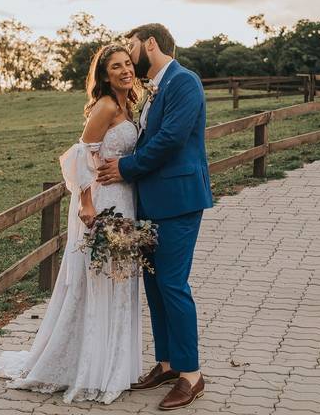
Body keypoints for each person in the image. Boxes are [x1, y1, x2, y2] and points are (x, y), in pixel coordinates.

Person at [0, 44, 142, 404]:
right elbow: (80, 155)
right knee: (99, 279)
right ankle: (88, 366)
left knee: (119, 280)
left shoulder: (127, 105)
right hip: (103, 201)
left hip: (125, 198)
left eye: (127, 64)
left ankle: (114, 364)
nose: (124, 71)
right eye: (116, 67)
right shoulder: (106, 106)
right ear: (104, 76)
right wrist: (87, 204)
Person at [97, 23, 211, 411]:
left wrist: (126, 168)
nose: (130, 56)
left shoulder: (184, 81)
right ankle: (165, 363)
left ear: (150, 43)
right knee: (154, 285)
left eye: (132, 47)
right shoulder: (152, 88)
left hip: (178, 200)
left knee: (174, 286)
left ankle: (191, 375)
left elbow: (170, 140)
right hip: (149, 202)